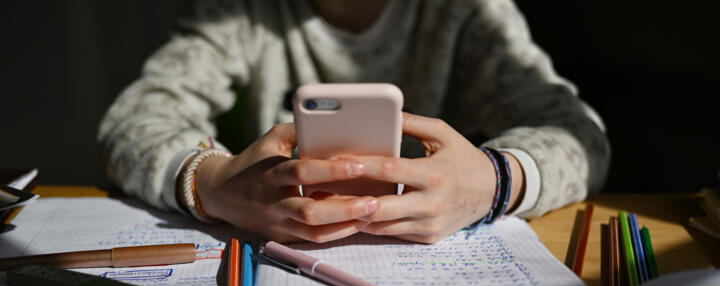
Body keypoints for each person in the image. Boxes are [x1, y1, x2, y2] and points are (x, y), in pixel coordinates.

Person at [98, 0, 610, 243]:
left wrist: (494, 181)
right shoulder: (239, 11)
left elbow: (580, 136)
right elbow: (136, 119)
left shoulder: (467, 11)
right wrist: (209, 182)